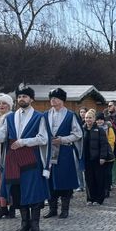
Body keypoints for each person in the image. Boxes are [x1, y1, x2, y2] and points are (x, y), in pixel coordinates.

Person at [0, 84, 51, 231]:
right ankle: (24, 223)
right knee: (17, 190)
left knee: (33, 190)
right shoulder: (10, 117)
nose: (22, 99)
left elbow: (43, 138)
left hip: (31, 159)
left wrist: (23, 142)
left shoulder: (39, 116)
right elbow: (2, 136)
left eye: (25, 96)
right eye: (20, 97)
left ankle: (35, 224)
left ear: (31, 99)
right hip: (13, 160)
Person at [45, 88, 83, 219]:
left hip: (65, 151)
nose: (53, 100)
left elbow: (78, 134)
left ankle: (65, 209)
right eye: (51, 98)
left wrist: (63, 139)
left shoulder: (70, 115)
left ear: (62, 100)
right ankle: (52, 208)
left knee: (64, 179)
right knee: (49, 180)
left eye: (55, 98)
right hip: (49, 152)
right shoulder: (45, 115)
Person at [0, 92, 15, 219]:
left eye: (4, 103)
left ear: (9, 105)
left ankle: (13, 206)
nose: (1, 105)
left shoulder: (12, 117)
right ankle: (2, 206)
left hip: (8, 151)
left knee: (10, 179)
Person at [82, 109, 109, 205]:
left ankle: (98, 199)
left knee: (98, 179)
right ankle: (90, 198)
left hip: (97, 159)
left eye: (90, 118)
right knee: (89, 180)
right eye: (86, 118)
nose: (88, 119)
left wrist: (103, 157)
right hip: (86, 159)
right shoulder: (82, 130)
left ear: (94, 119)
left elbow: (104, 144)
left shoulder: (100, 130)